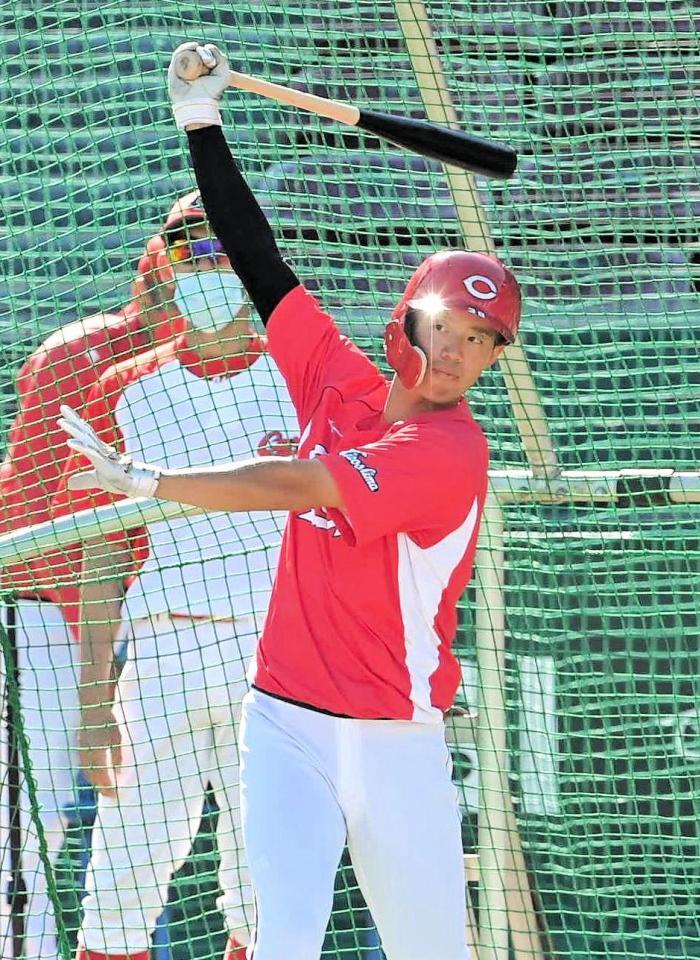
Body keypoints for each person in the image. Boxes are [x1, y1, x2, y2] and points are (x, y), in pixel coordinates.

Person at [58, 41, 522, 960]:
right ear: (406, 322)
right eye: (450, 329)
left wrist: (148, 484)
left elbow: (301, 484)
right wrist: (200, 121)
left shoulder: (447, 450)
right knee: (280, 939)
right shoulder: (335, 383)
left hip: (394, 737)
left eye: (485, 342)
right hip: (283, 721)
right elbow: (261, 261)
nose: (464, 354)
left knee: (432, 949)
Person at [51, 218, 298, 960]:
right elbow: (98, 555)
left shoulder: (305, 375)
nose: (208, 274)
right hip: (163, 653)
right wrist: (94, 700)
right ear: (161, 273)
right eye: (189, 257)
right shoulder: (121, 387)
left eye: (223, 256)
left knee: (268, 882)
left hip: (280, 655)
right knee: (122, 878)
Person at [0, 193, 199, 960]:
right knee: (31, 824)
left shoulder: (224, 373)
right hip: (46, 621)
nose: (186, 279)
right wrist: (98, 668)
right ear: (151, 271)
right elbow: (44, 520)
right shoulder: (80, 352)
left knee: (149, 828)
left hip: (157, 629)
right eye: (179, 258)